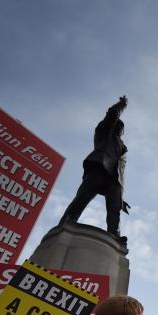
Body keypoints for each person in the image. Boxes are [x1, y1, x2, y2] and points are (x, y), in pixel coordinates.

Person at [59, 96, 131, 241]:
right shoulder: (104, 131)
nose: (120, 129)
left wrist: (121, 197)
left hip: (114, 179)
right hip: (99, 167)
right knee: (81, 199)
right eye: (118, 126)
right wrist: (121, 105)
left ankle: (113, 236)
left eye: (122, 129)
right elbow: (112, 114)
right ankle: (65, 223)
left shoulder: (123, 148)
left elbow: (121, 169)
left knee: (114, 210)